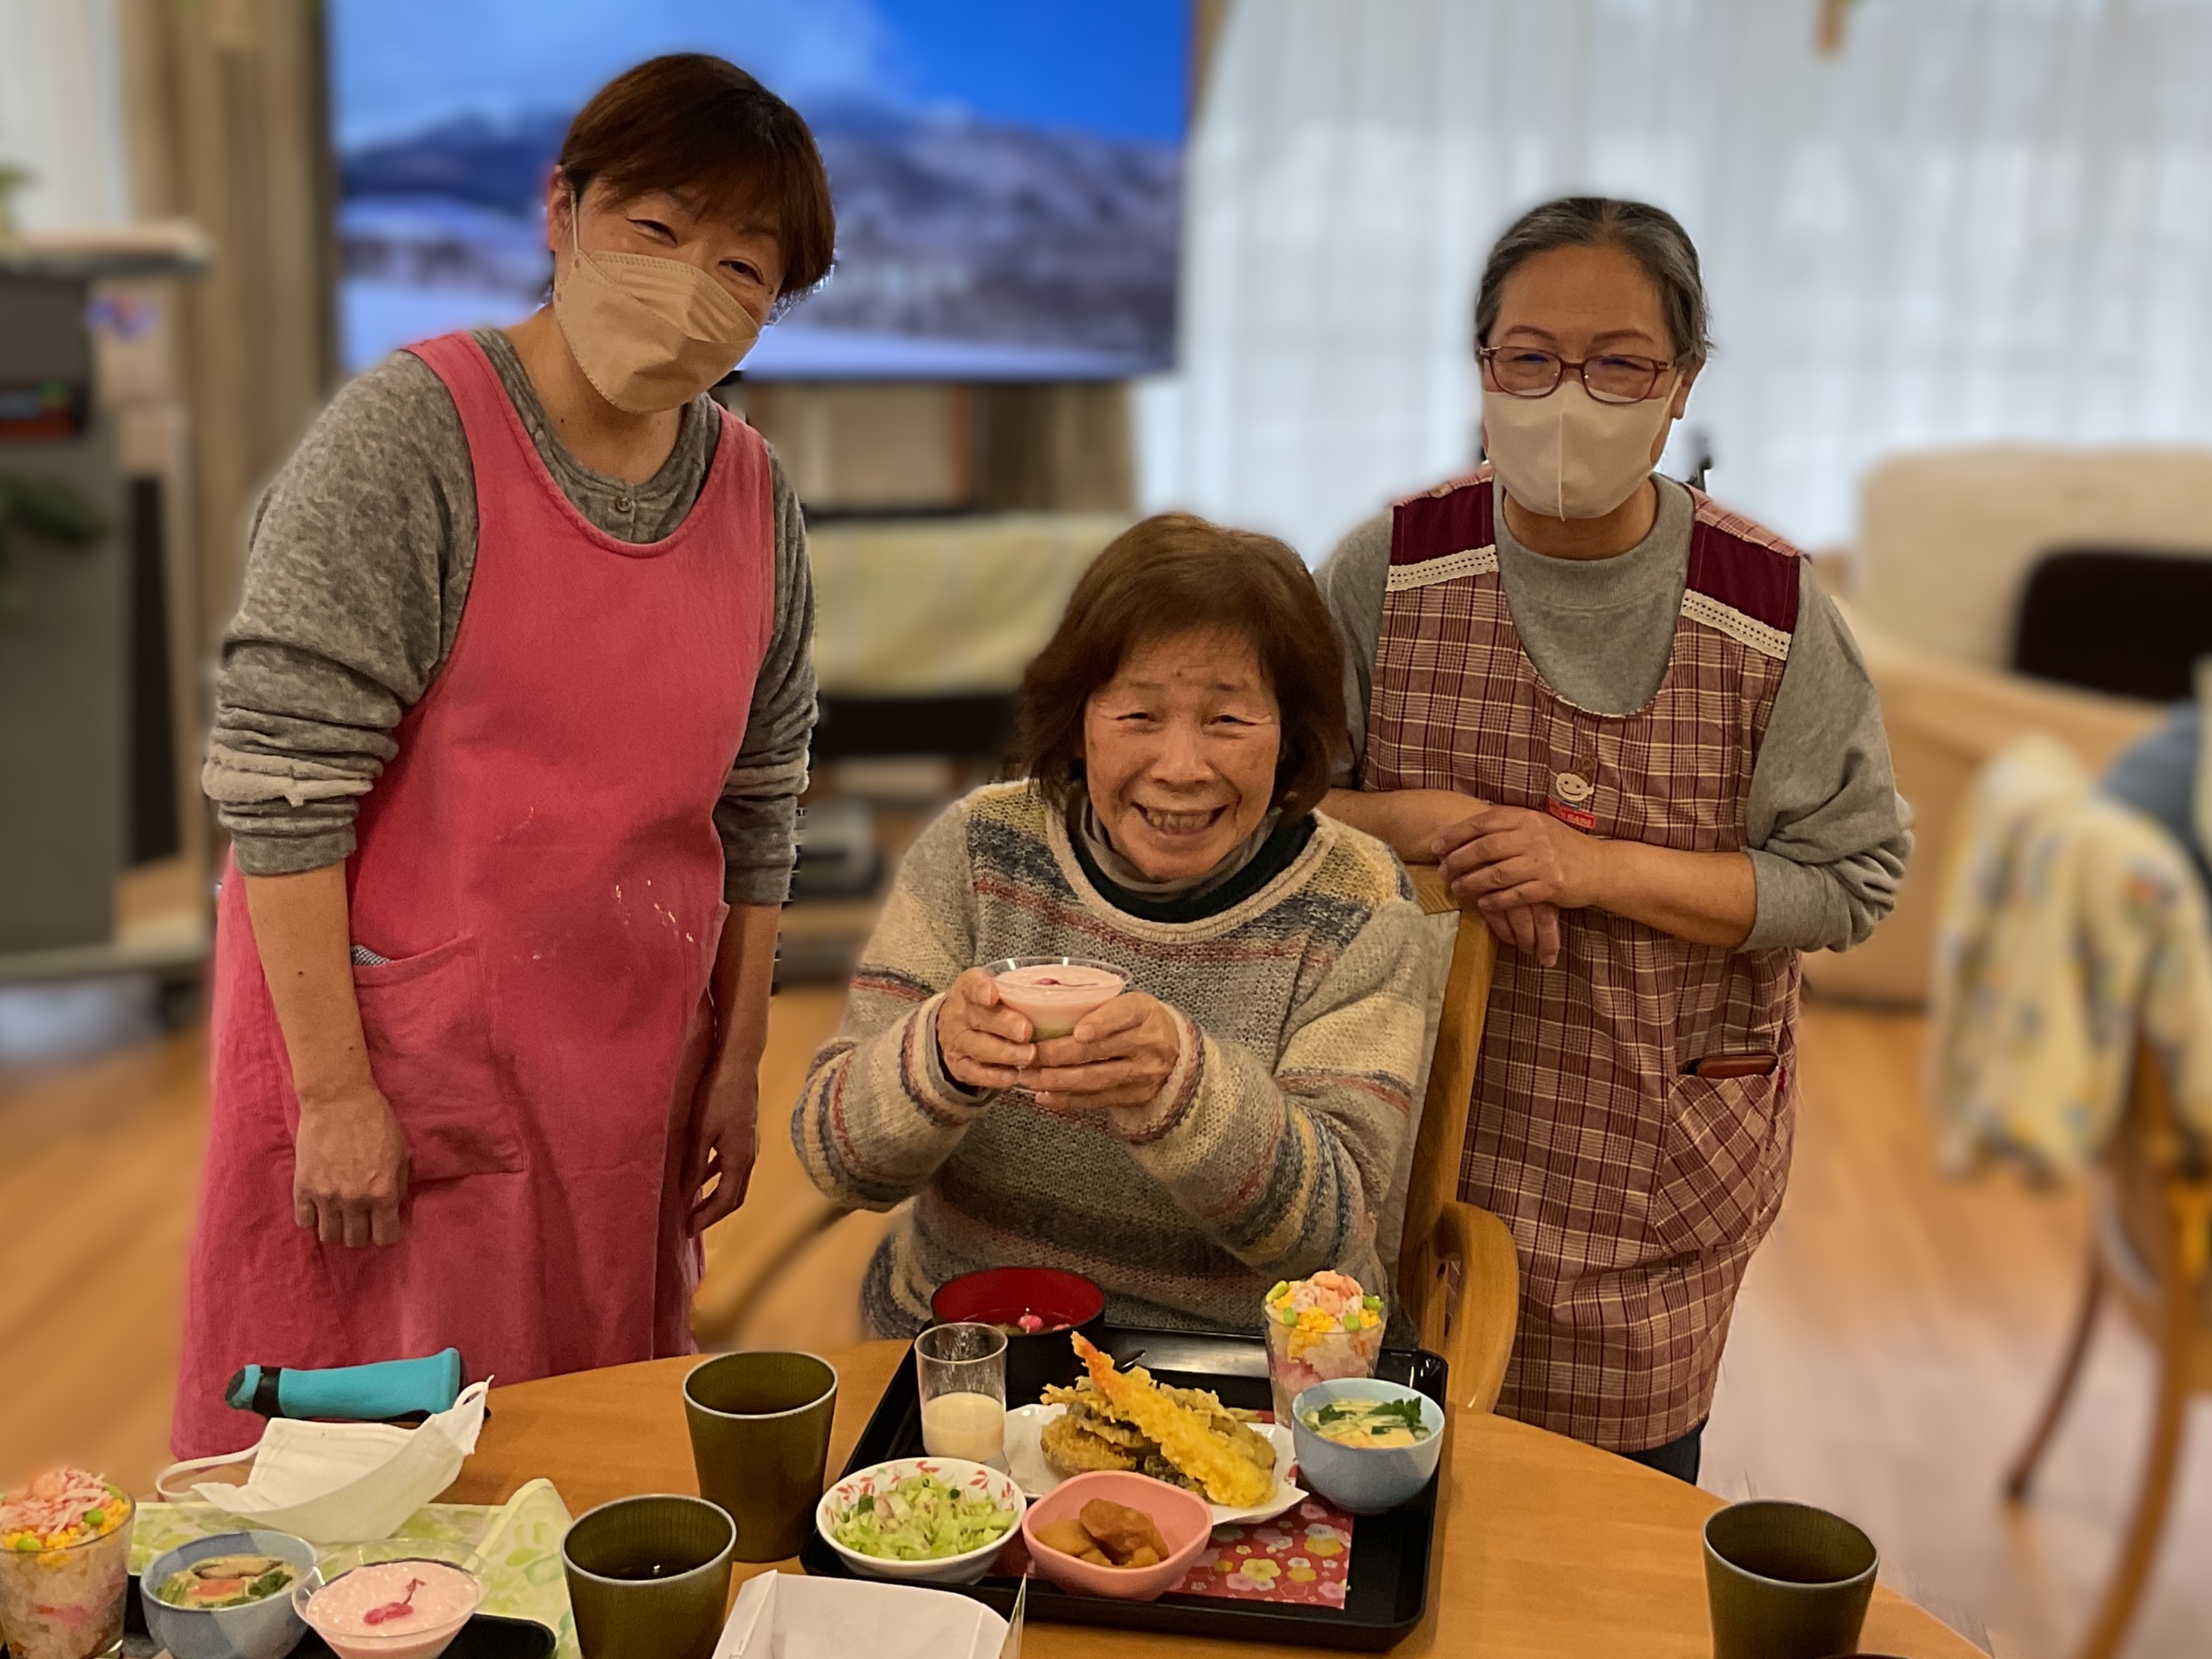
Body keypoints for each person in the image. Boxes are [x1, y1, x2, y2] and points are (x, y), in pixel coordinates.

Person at [174, 55, 832, 1456]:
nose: (691, 284)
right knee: (380, 1449)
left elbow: (761, 795)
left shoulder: (750, 491)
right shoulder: (410, 437)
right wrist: (334, 1093)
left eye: (741, 265)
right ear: (561, 210)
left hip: (626, 1055)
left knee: (589, 1431)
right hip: (396, 1056)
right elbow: (284, 782)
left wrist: (735, 1054)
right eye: (655, 229)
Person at [1318, 197, 1911, 1483]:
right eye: (1528, 359)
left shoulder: (1770, 609)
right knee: (1380, 1491)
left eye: (1618, 364)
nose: (1565, 399)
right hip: (1394, 1137)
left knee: (1603, 1521)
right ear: (1480, 366)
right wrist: (1428, 827)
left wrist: (1585, 865)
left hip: (1649, 1167)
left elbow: (1850, 874)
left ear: (1681, 380)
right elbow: (1268, 810)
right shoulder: (1387, 568)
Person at [792, 514, 1430, 1336]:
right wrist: (938, 1056)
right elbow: (837, 1159)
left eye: (1227, 720)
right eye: (1137, 715)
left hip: (1238, 1367)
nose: (1180, 767)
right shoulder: (983, 848)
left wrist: (1181, 1085)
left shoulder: (1357, 902)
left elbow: (1333, 1235)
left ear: (1290, 737)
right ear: (1079, 722)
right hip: (971, 1353)